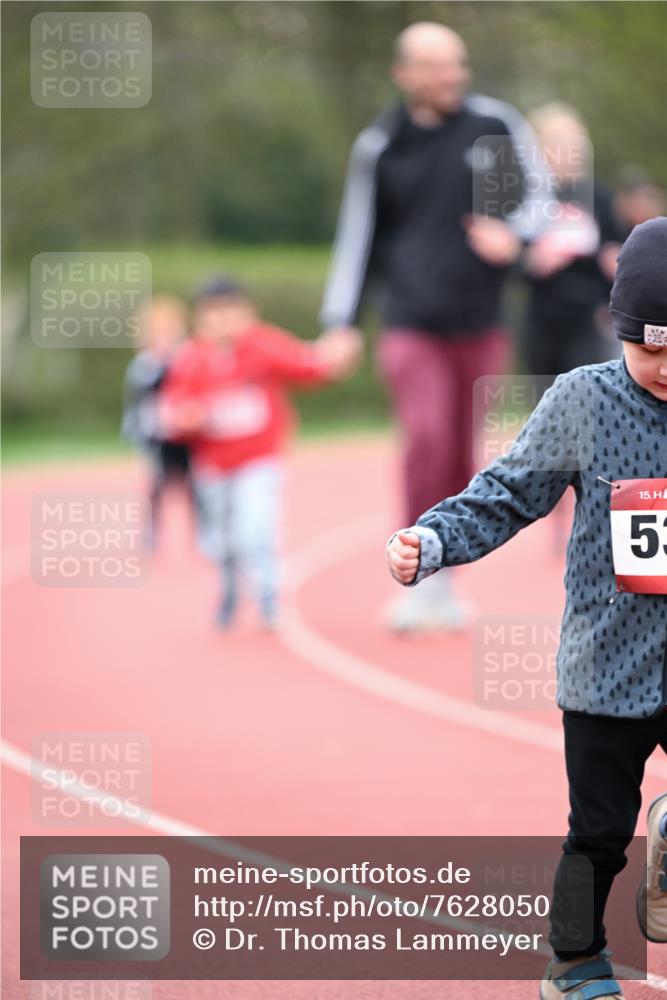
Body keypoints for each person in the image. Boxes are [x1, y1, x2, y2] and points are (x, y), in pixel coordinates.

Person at [385, 217, 667, 999]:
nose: (665, 365)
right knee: (598, 835)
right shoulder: (582, 400)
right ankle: (574, 962)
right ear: (616, 332)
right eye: (648, 347)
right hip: (607, 667)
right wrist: (431, 541)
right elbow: (506, 493)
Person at [320, 20, 553, 633]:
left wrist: (516, 233)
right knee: (424, 437)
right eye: (436, 65)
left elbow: (541, 199)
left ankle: (444, 568)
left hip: (478, 318)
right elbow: (358, 237)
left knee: (461, 451)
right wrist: (340, 322)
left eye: (457, 64)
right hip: (411, 320)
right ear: (405, 74)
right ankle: (415, 573)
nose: (452, 75)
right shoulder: (382, 143)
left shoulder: (493, 126)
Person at [161, 277, 360, 630]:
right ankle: (227, 592)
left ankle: (268, 597)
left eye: (232, 311)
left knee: (255, 529)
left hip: (259, 461)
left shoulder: (264, 346)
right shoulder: (190, 358)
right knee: (220, 541)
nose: (224, 321)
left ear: (249, 312)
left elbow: (306, 366)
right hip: (213, 466)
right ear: (200, 319)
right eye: (214, 313)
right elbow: (174, 407)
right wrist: (185, 417)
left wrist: (334, 360)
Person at [520, 103, 624, 379]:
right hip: (543, 315)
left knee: (584, 396)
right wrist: (531, 261)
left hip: (589, 314)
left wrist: (613, 262)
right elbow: (513, 257)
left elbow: (617, 249)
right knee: (545, 398)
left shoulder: (599, 197)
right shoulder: (529, 197)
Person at [121, 294, 194, 550]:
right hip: (155, 437)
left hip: (186, 436)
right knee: (156, 486)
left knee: (194, 486)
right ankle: (151, 534)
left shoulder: (189, 358)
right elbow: (136, 404)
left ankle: (201, 532)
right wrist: (135, 435)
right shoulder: (143, 366)